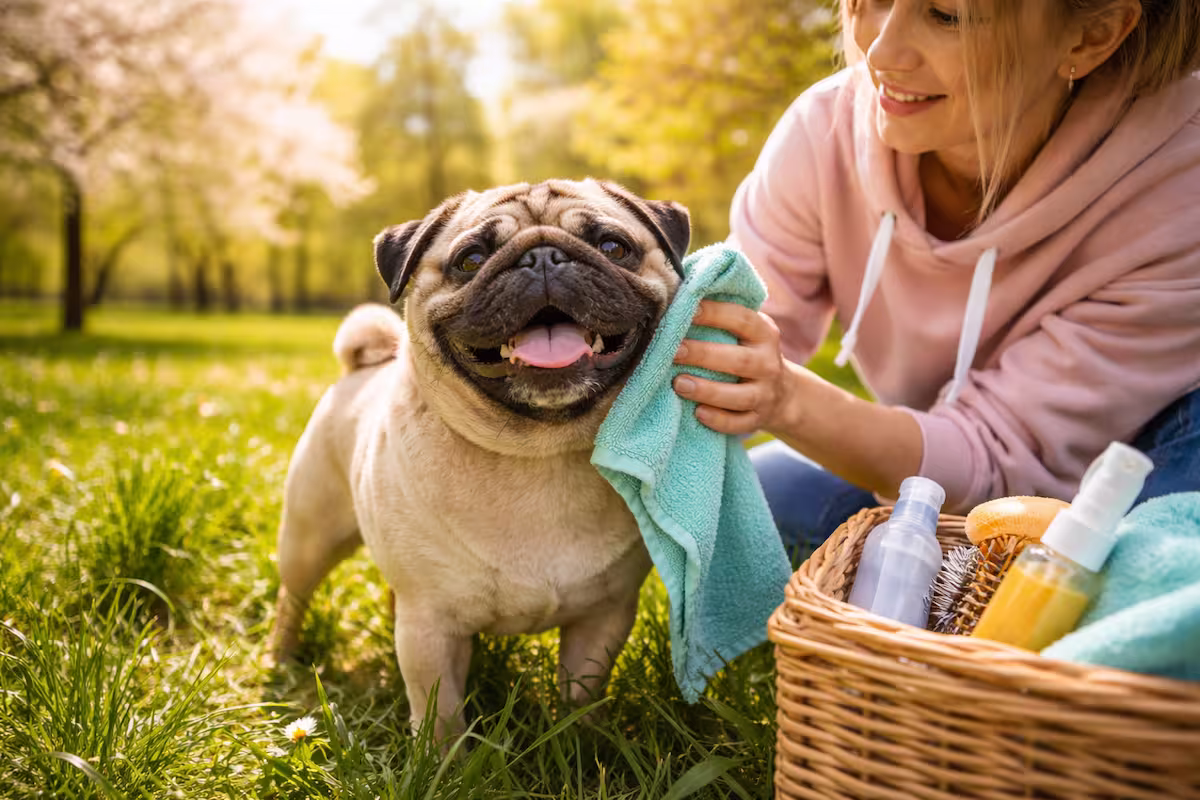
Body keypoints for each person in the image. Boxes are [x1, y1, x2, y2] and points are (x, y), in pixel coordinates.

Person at [672, 0, 1200, 552]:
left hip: (1145, 466)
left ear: (1093, 35)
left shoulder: (1178, 188)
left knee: (1145, 564)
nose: (880, 54)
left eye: (946, 15)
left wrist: (787, 400)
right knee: (767, 497)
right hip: (948, 466)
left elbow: (1000, 462)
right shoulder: (825, 129)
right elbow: (734, 333)